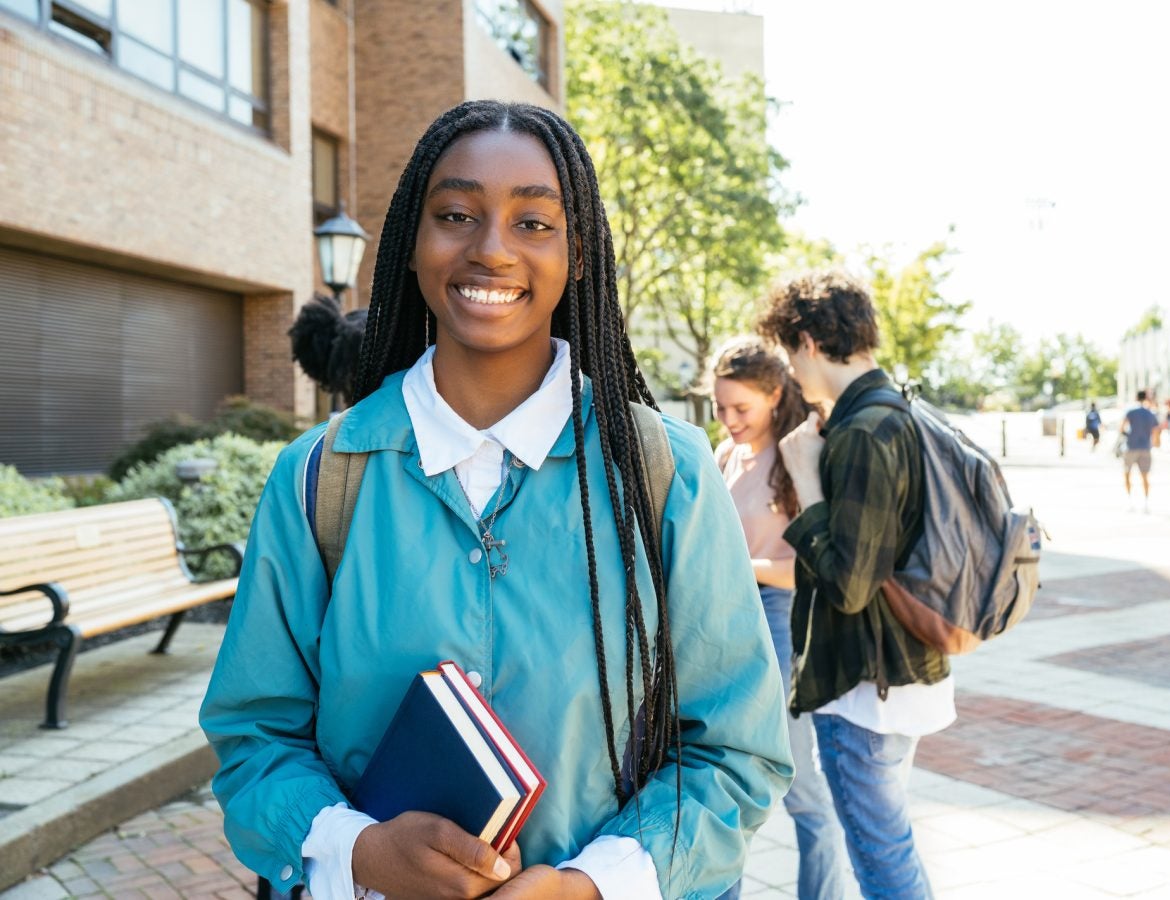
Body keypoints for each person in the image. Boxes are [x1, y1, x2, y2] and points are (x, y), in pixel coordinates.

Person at [200, 101, 791, 900]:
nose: (491, 249)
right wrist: (358, 850)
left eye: (534, 223)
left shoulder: (666, 474)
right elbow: (256, 739)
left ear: (579, 254)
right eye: (455, 214)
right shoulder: (320, 478)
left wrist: (590, 884)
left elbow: (735, 754)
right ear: (413, 240)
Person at [757, 269, 955, 900]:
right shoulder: (897, 410)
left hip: (863, 687)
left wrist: (805, 480)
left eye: (791, 353)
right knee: (890, 848)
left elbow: (848, 583)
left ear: (809, 341)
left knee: (881, 864)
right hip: (899, 672)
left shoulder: (865, 430)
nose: (792, 371)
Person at [709, 337, 849, 900]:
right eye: (719, 407)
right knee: (726, 777)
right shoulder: (723, 454)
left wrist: (739, 565)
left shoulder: (796, 457)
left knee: (798, 785)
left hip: (779, 618)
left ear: (773, 395)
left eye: (740, 408)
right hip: (725, 618)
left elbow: (812, 567)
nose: (728, 419)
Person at [1121, 390, 1160, 512]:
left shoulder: (1130, 411)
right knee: (1145, 475)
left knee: (1127, 474)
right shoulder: (1151, 413)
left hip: (1131, 446)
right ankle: (1146, 502)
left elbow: (1122, 427)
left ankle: (1130, 501)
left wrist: (1127, 434)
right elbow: (1155, 431)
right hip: (1145, 447)